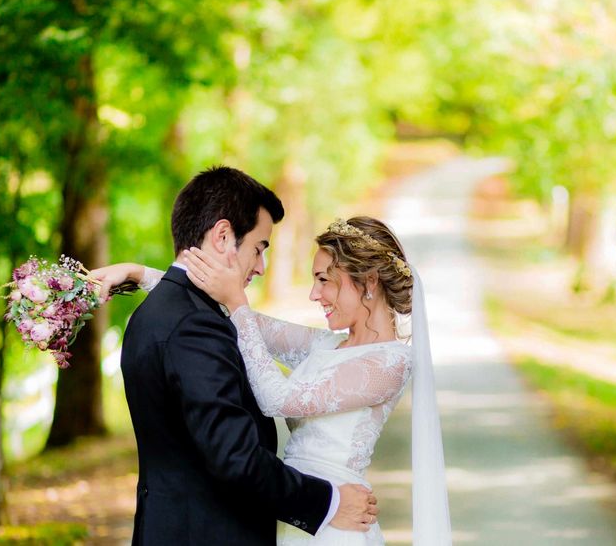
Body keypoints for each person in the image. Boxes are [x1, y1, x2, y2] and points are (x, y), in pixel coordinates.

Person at [96, 215, 452, 545]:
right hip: (294, 510)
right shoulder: (328, 344)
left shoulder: (390, 362)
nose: (314, 294)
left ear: (369, 281)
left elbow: (279, 399)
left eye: (324, 280)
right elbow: (245, 322)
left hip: (335, 523)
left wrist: (238, 302)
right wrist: (140, 273)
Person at [102, 166, 377, 546]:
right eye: (258, 248)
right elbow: (237, 458)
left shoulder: (163, 312)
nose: (261, 267)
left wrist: (142, 273)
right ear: (222, 236)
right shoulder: (195, 326)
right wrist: (329, 502)